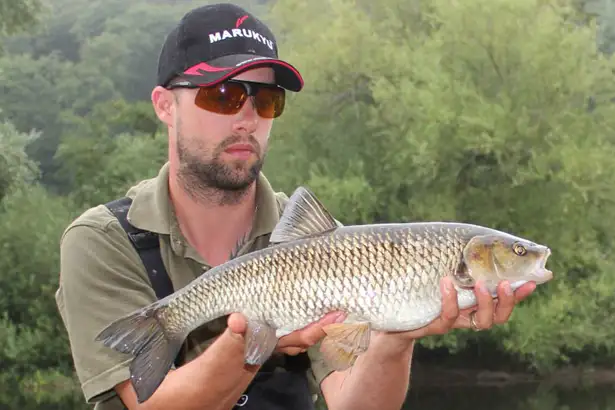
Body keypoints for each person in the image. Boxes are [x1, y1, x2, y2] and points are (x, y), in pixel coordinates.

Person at [55, 3, 537, 410]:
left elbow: (353, 402)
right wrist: (252, 343)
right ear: (164, 105)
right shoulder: (101, 240)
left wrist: (396, 334)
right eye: (222, 96)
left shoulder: (327, 246)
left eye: (265, 100)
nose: (246, 117)